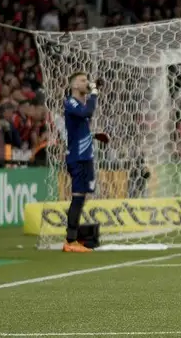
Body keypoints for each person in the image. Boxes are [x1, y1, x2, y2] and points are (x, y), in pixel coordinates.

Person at [62, 72, 109, 252]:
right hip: (77, 158)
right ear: (74, 86)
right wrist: (94, 93)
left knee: (82, 198)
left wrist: (93, 136)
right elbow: (87, 112)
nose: (86, 82)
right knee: (78, 197)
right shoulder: (70, 102)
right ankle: (70, 240)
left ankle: (77, 237)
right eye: (82, 80)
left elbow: (79, 129)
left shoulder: (80, 103)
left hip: (86, 156)